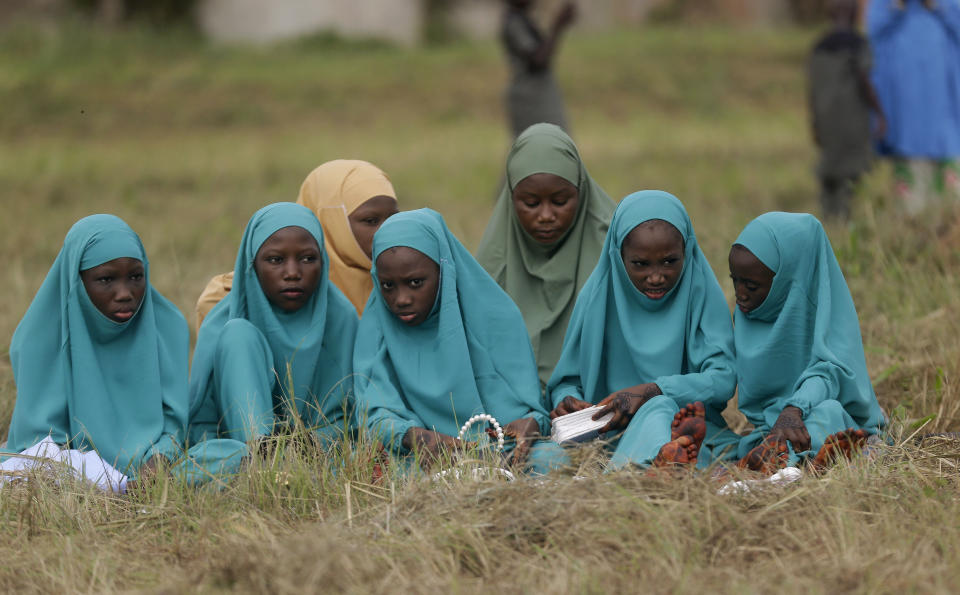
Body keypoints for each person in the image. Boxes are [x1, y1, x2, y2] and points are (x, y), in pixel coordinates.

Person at [3, 215, 245, 487]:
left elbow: (174, 426)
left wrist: (158, 461)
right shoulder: (38, 339)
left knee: (232, 453)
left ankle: (137, 488)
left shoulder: (167, 327)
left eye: (135, 277)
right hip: (72, 468)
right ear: (76, 280)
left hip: (149, 464)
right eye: (106, 279)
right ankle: (125, 489)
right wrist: (96, 475)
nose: (125, 293)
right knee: (27, 470)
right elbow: (41, 443)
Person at [354, 209, 568, 475]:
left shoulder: (497, 317)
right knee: (370, 469)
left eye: (415, 282)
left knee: (552, 460)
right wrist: (413, 436)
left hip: (498, 448)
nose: (401, 299)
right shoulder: (377, 328)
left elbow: (533, 410)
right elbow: (373, 414)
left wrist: (530, 425)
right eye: (388, 286)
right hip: (419, 454)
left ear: (445, 270)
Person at [547, 191, 741, 470]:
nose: (656, 276)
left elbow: (723, 379)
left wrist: (654, 391)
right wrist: (567, 401)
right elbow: (567, 379)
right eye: (640, 264)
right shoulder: (597, 299)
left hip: (685, 430)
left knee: (660, 410)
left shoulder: (700, 294)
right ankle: (654, 467)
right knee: (544, 459)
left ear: (687, 251)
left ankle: (640, 470)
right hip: (607, 438)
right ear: (618, 256)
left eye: (670, 261)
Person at [188, 203, 357, 448]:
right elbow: (201, 423)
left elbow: (352, 419)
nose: (292, 272)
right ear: (252, 264)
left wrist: (309, 444)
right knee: (238, 333)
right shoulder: (221, 320)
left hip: (317, 452)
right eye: (275, 260)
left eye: (308, 259)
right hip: (240, 450)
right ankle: (261, 450)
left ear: (323, 262)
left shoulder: (341, 317)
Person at [728, 212, 886, 473]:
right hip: (772, 429)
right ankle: (779, 463)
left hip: (830, 415)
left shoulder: (826, 311)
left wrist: (795, 408)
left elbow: (831, 371)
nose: (740, 295)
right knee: (767, 441)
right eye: (736, 281)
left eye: (752, 286)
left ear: (787, 280)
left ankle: (781, 466)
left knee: (829, 413)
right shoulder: (751, 314)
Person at [477, 123, 614, 385]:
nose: (546, 216)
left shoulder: (614, 246)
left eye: (560, 202)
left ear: (581, 190)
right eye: (531, 204)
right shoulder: (492, 262)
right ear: (510, 197)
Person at [195, 159, 399, 326]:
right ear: (330, 220)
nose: (387, 231)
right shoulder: (231, 298)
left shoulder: (407, 285)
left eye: (393, 219)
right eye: (370, 221)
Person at [867, 0, 960, 213]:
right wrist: (897, 6)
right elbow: (873, 34)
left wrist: (936, 4)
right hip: (906, 126)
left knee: (950, 207)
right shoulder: (885, 5)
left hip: (946, 126)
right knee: (911, 209)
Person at [808, 0, 887, 221]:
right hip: (852, 119)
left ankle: (828, 218)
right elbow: (865, 81)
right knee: (850, 175)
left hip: (825, 119)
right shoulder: (858, 45)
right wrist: (880, 113)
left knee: (830, 172)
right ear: (854, 14)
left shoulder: (818, 46)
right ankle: (844, 220)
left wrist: (814, 122)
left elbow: (812, 90)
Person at [501, 0, 576, 137]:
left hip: (539, 94)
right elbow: (538, 61)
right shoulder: (514, 24)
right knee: (545, 143)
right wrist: (557, 26)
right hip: (531, 99)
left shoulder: (524, 19)